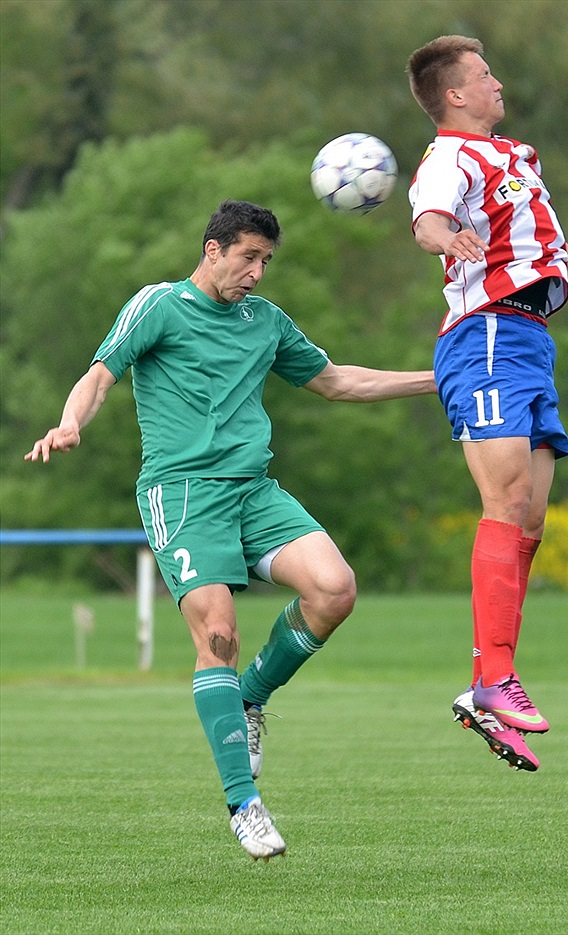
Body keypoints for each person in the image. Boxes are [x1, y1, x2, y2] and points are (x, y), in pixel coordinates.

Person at [25, 199, 436, 860]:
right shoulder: (159, 305)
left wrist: (438, 377)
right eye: (248, 256)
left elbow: (336, 381)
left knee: (334, 589)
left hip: (253, 490)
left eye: (266, 260)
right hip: (183, 494)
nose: (257, 272)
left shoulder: (266, 322)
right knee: (218, 634)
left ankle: (249, 698)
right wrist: (72, 421)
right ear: (212, 249)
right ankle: (244, 803)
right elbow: (100, 373)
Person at [405, 36, 568, 772]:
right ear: (454, 95)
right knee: (504, 499)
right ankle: (495, 679)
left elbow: (556, 251)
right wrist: (452, 239)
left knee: (531, 515)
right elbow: (427, 222)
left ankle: (486, 681)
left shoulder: (516, 159)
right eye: (484, 75)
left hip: (532, 341)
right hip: (485, 334)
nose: (496, 82)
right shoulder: (449, 156)